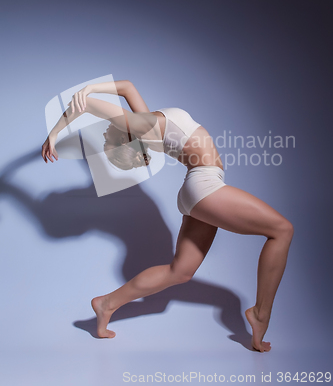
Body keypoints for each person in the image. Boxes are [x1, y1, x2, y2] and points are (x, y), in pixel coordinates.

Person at [42, 79, 294, 352]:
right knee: (282, 230)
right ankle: (260, 314)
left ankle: (106, 303)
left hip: (195, 190)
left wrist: (87, 93)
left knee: (180, 271)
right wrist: (55, 133)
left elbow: (126, 87)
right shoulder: (144, 126)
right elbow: (87, 105)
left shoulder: (148, 122)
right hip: (205, 185)